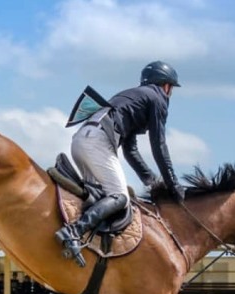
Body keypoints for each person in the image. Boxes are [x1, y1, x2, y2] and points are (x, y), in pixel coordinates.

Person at [55, 61, 183, 267]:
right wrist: (174, 185)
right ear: (166, 86)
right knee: (121, 196)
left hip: (81, 140)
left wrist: (152, 181)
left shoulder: (134, 97)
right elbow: (159, 146)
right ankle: (73, 231)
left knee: (100, 196)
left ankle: (88, 240)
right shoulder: (157, 98)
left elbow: (130, 150)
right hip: (97, 142)